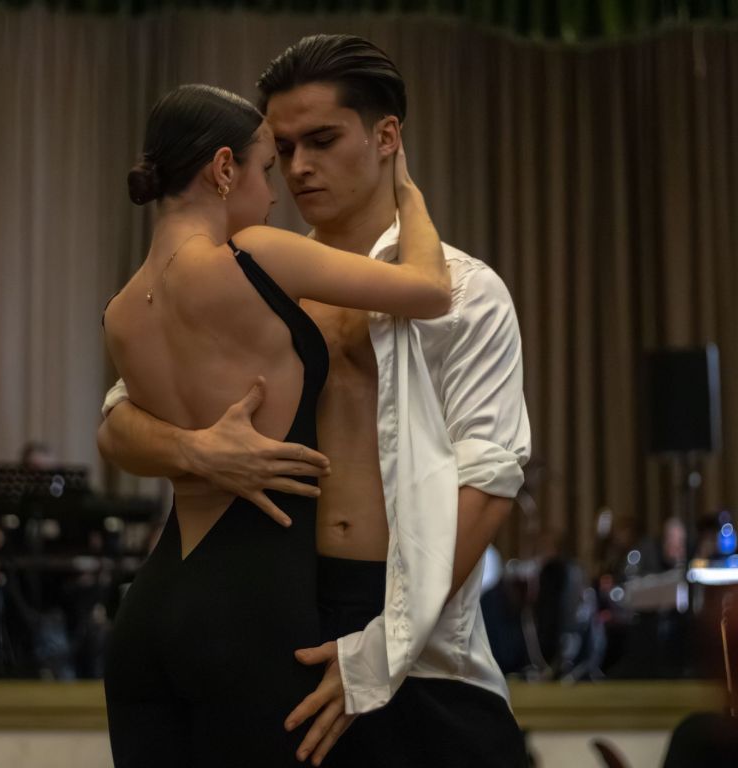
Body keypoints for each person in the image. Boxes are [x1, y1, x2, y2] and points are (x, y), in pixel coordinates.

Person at [99, 36, 530, 767]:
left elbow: (488, 481)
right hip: (271, 611)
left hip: (412, 627)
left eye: (322, 141)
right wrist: (196, 449)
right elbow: (118, 421)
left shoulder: (468, 289)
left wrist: (383, 645)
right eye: (284, 148)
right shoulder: (249, 273)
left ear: (386, 137)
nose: (298, 167)